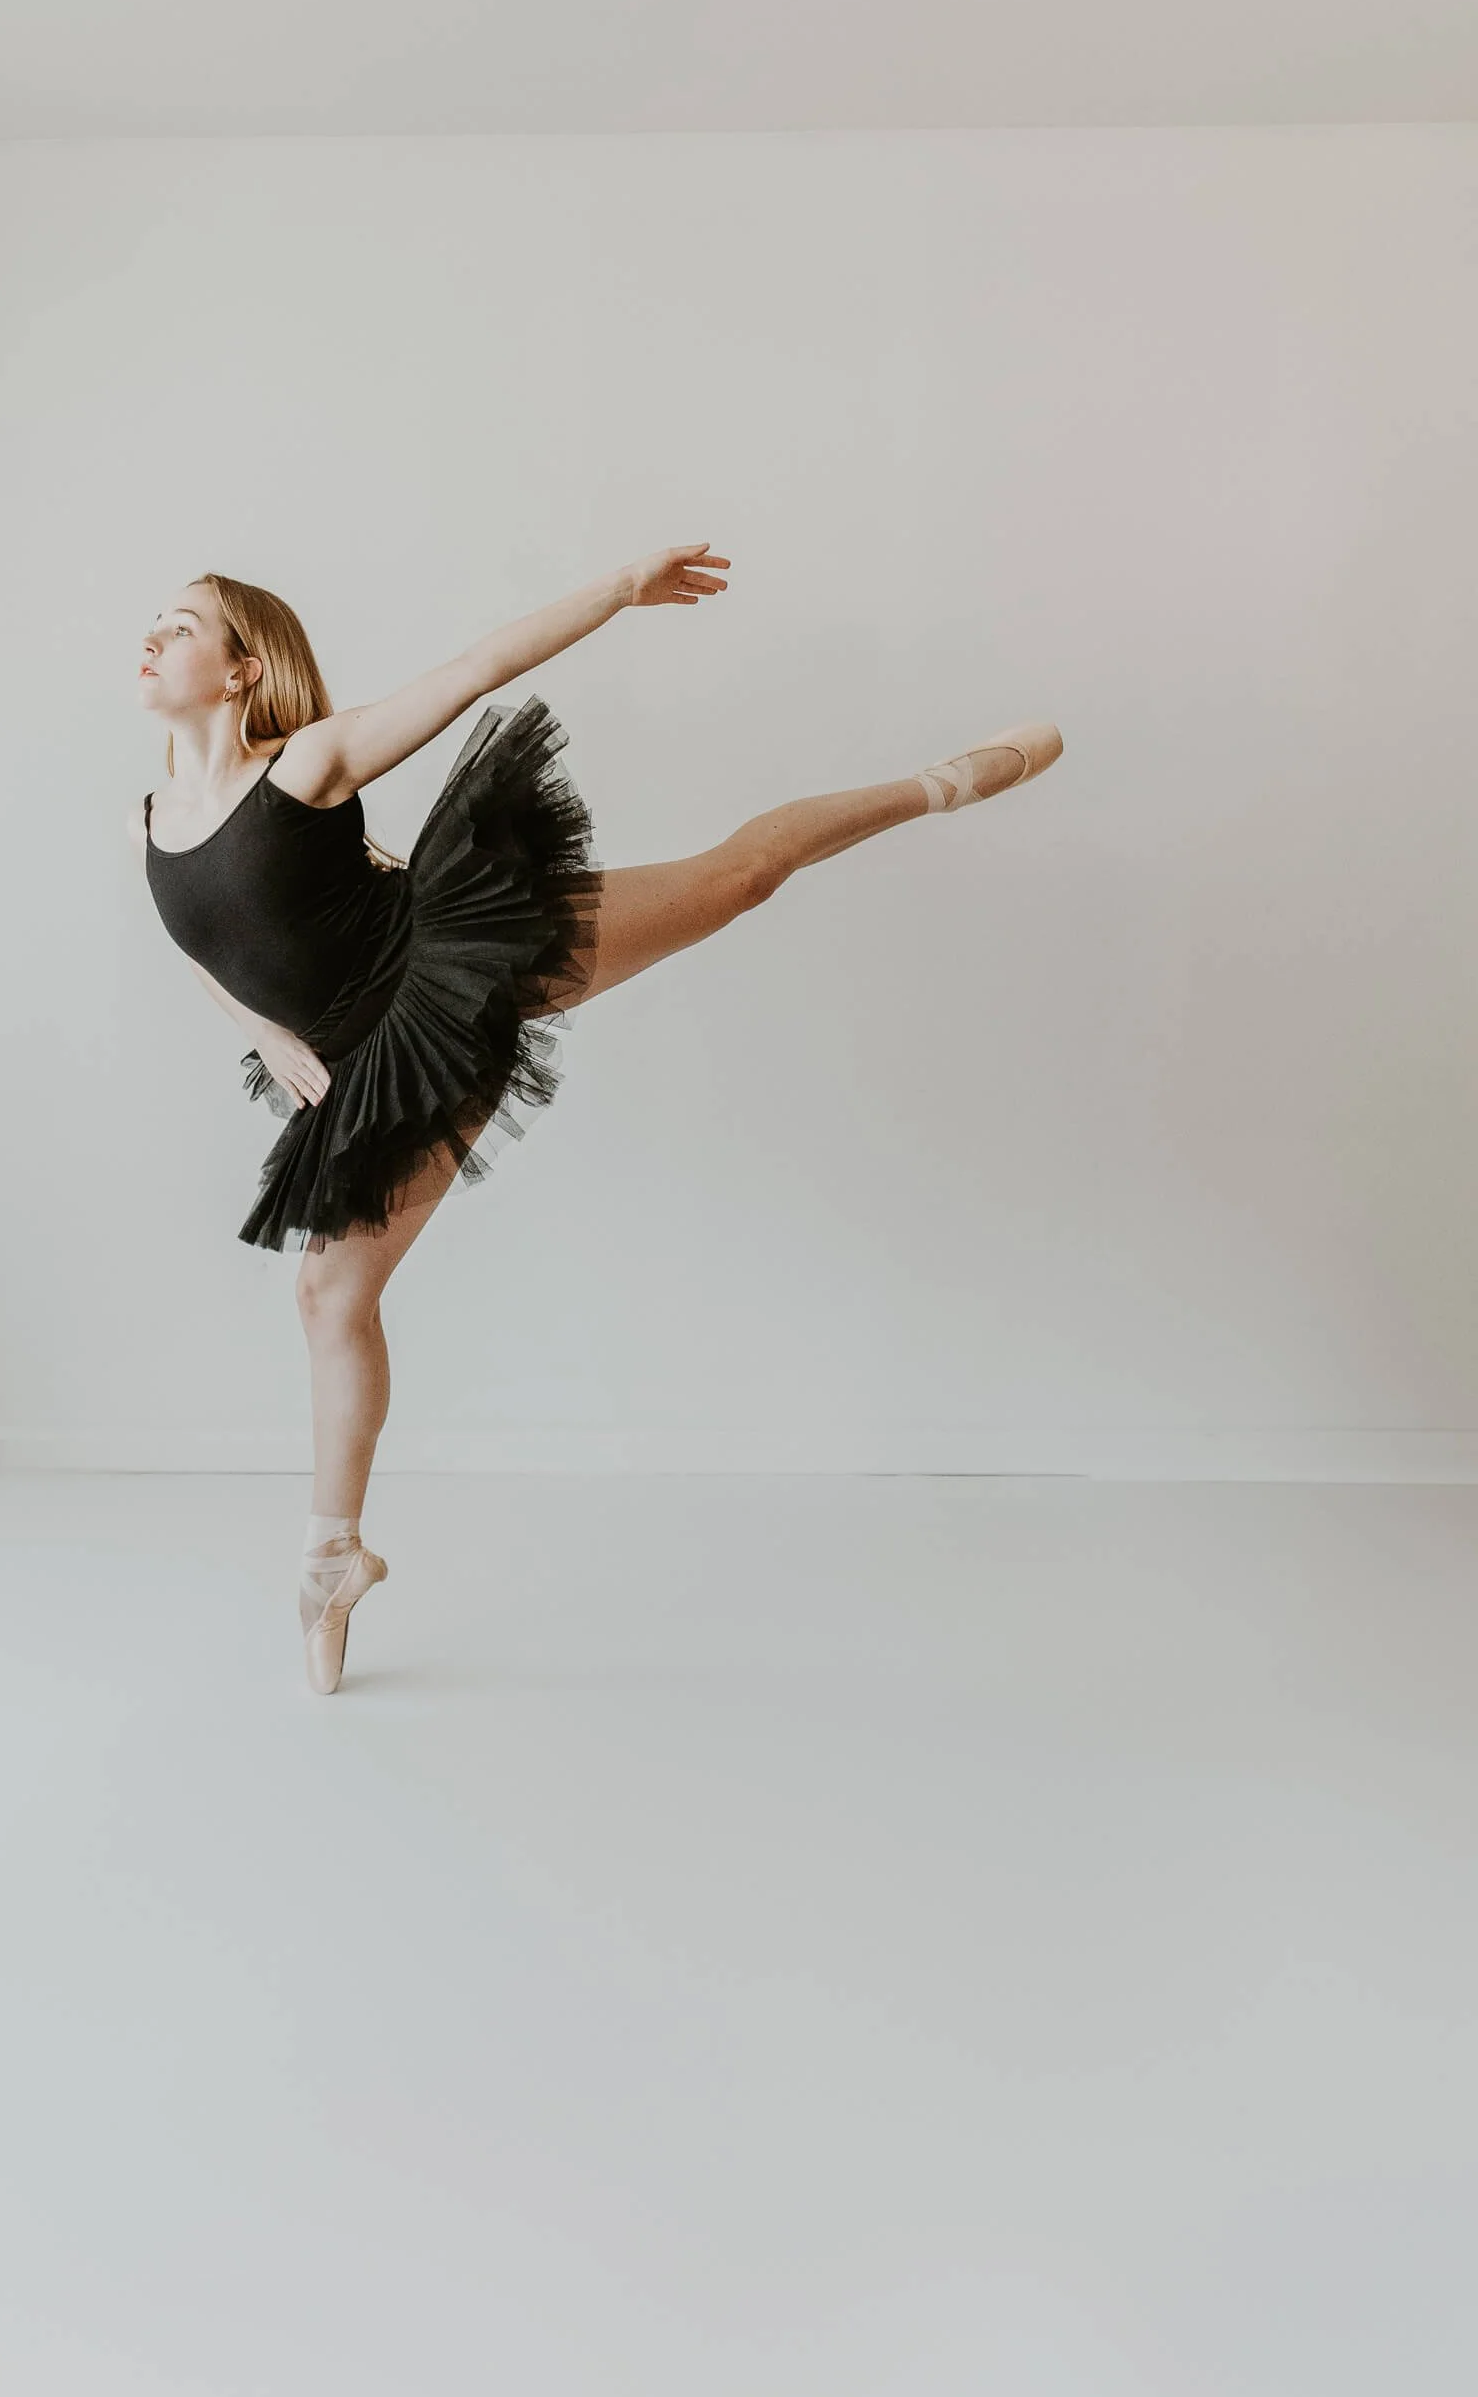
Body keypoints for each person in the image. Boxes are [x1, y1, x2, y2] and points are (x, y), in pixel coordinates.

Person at [128, 552, 1061, 1692]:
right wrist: (264, 1032)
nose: (151, 638)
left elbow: (475, 669)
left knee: (737, 878)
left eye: (179, 627)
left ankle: (934, 784)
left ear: (238, 673)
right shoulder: (154, 813)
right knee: (328, 1294)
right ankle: (332, 1557)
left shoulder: (308, 765)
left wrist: (618, 589)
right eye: (155, 624)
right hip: (383, 1065)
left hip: (451, 960)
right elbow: (204, 945)